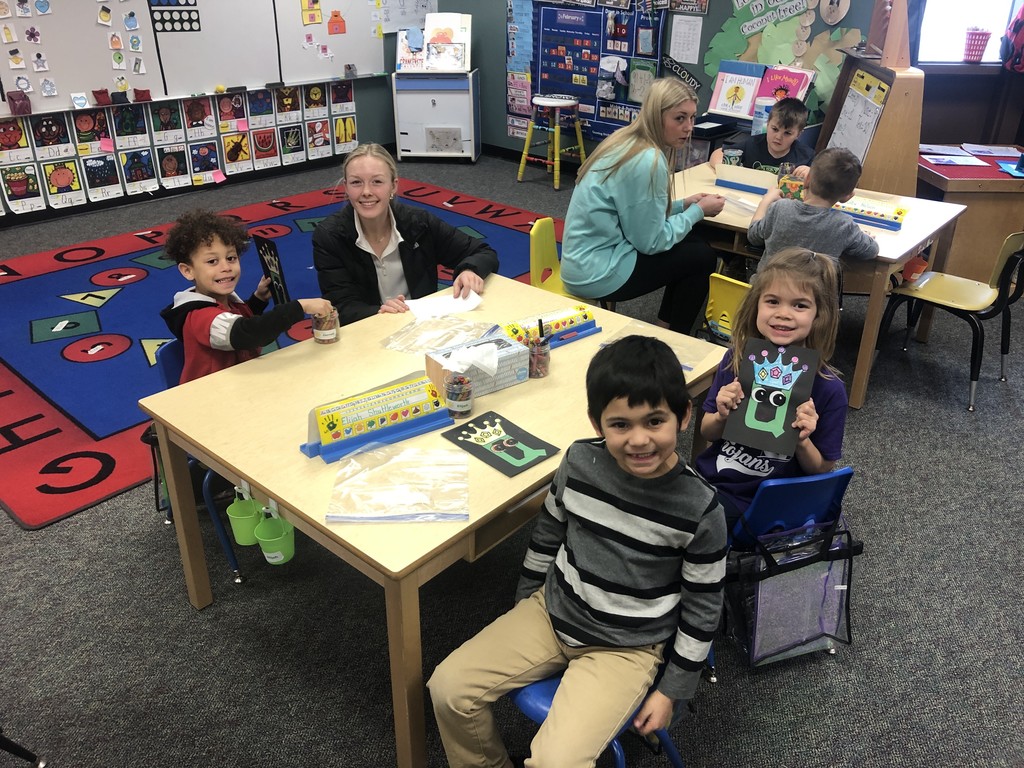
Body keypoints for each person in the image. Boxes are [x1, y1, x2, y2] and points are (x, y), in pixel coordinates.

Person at [428, 335, 727, 768]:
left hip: (626, 648)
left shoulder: (700, 509)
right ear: (596, 422)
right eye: (620, 424)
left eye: (654, 421)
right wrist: (525, 602)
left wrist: (672, 690)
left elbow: (703, 610)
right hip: (552, 612)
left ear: (683, 417)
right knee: (448, 688)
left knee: (555, 762)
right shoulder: (578, 463)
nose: (639, 440)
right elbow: (546, 536)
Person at [694, 247, 847, 530]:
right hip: (715, 478)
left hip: (767, 498)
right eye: (773, 301)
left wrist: (801, 439)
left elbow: (822, 468)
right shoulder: (736, 360)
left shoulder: (829, 389)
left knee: (698, 527)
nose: (784, 314)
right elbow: (707, 431)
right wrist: (722, 416)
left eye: (800, 305)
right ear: (756, 306)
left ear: (819, 316)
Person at [559, 78, 725, 335]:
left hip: (580, 261)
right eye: (679, 118)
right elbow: (651, 242)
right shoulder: (648, 160)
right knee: (702, 258)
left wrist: (683, 205)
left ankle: (665, 328)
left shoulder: (627, 140)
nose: (688, 127)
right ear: (656, 116)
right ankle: (676, 341)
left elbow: (635, 212)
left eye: (692, 118)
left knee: (692, 245)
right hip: (596, 273)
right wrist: (698, 212)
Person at [312, 143, 499, 326]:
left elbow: (483, 252)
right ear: (346, 187)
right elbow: (341, 307)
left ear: (393, 186)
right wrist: (379, 311)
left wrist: (470, 270)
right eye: (356, 183)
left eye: (377, 182)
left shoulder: (418, 223)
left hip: (422, 328)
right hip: (368, 332)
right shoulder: (330, 236)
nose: (366, 192)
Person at [160, 209, 333, 384]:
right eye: (212, 261)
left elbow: (239, 320)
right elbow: (246, 333)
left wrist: (258, 299)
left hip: (240, 384)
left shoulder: (227, 302)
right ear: (188, 271)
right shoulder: (200, 316)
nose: (226, 267)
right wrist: (299, 307)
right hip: (211, 398)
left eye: (231, 258)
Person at [746, 146, 879, 268]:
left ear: (807, 179)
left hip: (768, 291)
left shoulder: (780, 208)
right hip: (812, 294)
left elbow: (753, 236)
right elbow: (872, 251)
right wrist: (862, 236)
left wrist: (766, 201)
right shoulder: (844, 225)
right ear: (848, 196)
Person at [709, 97, 814, 177]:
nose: (778, 137)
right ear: (767, 124)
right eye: (775, 129)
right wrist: (723, 168)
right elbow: (718, 153)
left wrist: (811, 174)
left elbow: (823, 180)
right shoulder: (752, 144)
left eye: (787, 133)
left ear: (799, 134)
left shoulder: (806, 156)